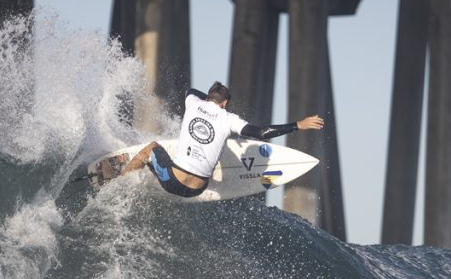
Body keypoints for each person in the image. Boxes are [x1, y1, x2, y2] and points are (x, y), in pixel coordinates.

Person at [120, 82, 325, 198]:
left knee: (152, 148)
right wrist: (298, 125)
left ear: (209, 97)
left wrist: (207, 100)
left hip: (172, 182)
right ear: (225, 103)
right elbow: (261, 133)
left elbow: (190, 90)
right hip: (197, 189)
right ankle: (149, 172)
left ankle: (121, 182)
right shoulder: (229, 119)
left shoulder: (192, 102)